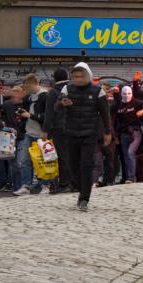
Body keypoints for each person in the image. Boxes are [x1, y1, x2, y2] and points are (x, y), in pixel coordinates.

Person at [57, 63, 112, 211]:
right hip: (71, 132)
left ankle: (84, 198)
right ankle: (82, 188)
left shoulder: (98, 91)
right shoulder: (66, 89)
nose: (79, 79)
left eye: (82, 76)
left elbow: (105, 113)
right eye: (75, 76)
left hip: (90, 133)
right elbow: (56, 107)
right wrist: (62, 104)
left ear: (88, 76)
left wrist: (107, 132)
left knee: (86, 165)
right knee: (73, 166)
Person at [113, 85, 143, 184]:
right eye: (124, 94)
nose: (127, 96)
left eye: (129, 93)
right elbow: (112, 116)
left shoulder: (137, 102)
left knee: (130, 153)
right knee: (126, 156)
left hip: (135, 132)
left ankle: (131, 177)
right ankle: (129, 177)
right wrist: (114, 134)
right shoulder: (118, 105)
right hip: (123, 134)